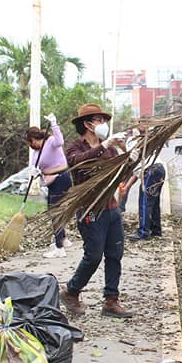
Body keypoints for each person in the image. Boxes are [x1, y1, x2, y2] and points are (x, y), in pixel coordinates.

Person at [59, 103, 132, 319]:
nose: (103, 124)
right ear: (87, 124)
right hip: (90, 209)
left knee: (115, 254)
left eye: (103, 120)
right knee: (93, 256)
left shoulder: (109, 148)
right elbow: (77, 163)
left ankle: (111, 301)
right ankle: (71, 292)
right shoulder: (75, 147)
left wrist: (127, 151)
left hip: (111, 207)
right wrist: (104, 145)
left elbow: (121, 170)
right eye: (99, 120)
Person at [25, 113, 73, 258]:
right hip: (51, 181)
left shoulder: (51, 141)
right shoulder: (36, 152)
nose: (30, 145)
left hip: (61, 178)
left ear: (34, 139)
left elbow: (60, 141)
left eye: (30, 142)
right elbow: (35, 164)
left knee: (55, 212)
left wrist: (54, 123)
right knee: (53, 210)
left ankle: (59, 248)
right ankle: (63, 240)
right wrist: (34, 170)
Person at [123, 144, 166, 241]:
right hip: (159, 169)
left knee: (145, 202)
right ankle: (156, 230)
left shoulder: (132, 151)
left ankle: (143, 232)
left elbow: (135, 175)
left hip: (152, 170)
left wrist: (126, 187)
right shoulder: (138, 145)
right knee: (153, 202)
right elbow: (136, 174)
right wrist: (126, 187)